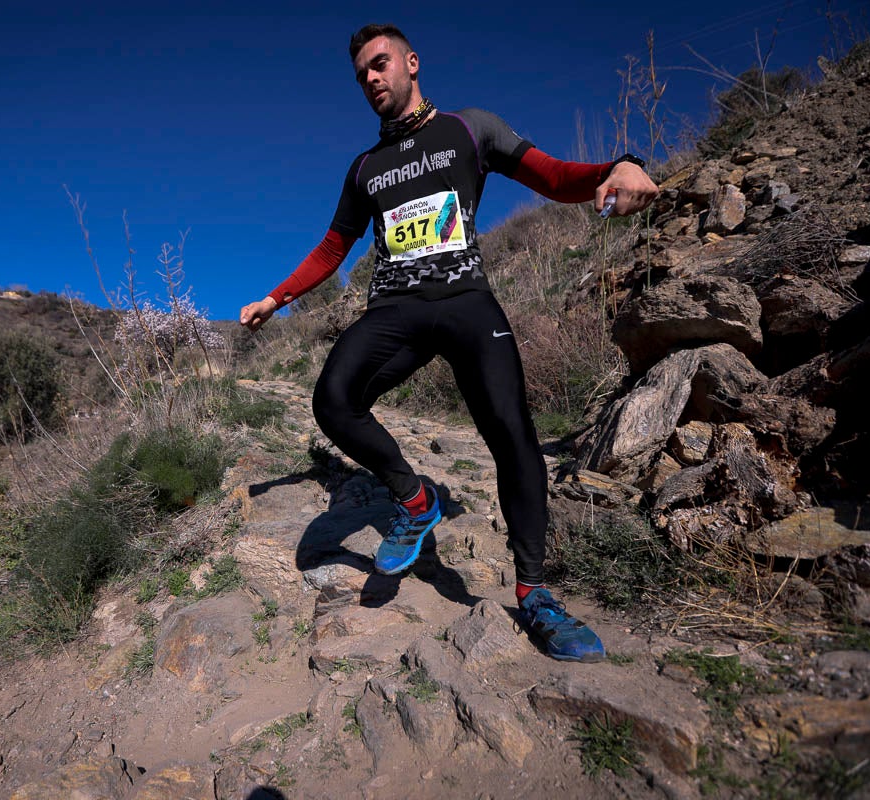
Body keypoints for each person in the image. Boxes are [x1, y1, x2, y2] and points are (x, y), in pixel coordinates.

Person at [239, 24, 657, 663]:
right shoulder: (364, 169)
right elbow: (333, 247)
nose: (371, 79)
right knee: (333, 399)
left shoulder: (469, 129)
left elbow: (552, 176)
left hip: (464, 303)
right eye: (361, 75)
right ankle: (414, 499)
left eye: (380, 65)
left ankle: (535, 592)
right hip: (396, 309)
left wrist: (619, 166)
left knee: (513, 436)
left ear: (411, 62)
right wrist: (278, 297)